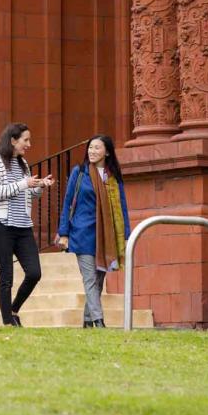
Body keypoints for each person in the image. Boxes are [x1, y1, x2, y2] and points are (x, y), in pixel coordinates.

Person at [56, 135, 131, 328]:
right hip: (82, 234)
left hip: (106, 236)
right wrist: (64, 232)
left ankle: (88, 321)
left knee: (98, 279)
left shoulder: (113, 177)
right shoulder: (79, 173)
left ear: (107, 152)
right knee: (90, 279)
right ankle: (99, 321)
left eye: (97, 148)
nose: (92, 151)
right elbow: (67, 203)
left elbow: (122, 207)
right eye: (90, 148)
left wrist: (127, 235)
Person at [0, 122, 54, 327]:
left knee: (34, 273)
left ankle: (13, 310)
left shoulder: (23, 164)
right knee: (6, 276)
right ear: (13, 140)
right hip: (2, 226)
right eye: (26, 140)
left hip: (23, 227)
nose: (29, 144)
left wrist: (40, 186)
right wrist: (25, 184)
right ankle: (8, 322)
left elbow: (26, 193)